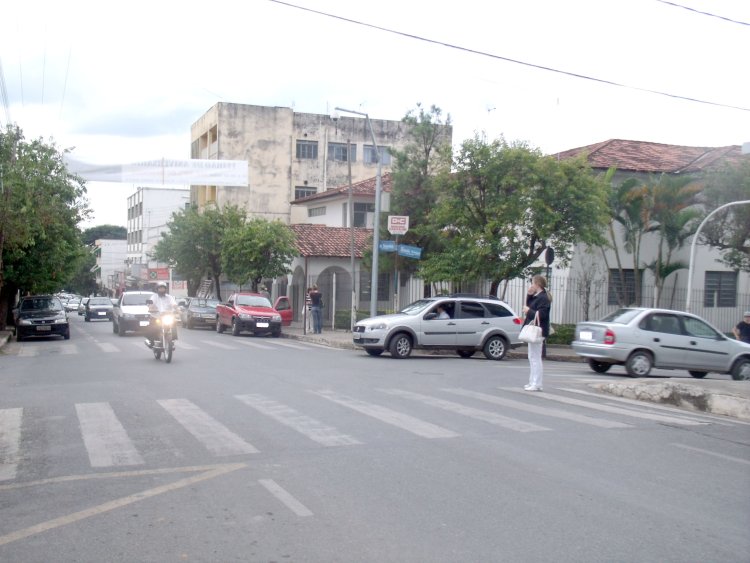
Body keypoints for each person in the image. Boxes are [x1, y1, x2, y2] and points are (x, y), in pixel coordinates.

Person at [521, 275, 551, 391]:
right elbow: (530, 307)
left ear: (538, 284)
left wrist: (529, 311)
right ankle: (532, 381)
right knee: (532, 356)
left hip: (538, 330)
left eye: (533, 283)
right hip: (535, 330)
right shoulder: (537, 296)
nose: (531, 285)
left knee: (535, 357)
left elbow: (542, 315)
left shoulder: (543, 298)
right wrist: (529, 295)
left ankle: (537, 383)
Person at [146, 282, 178, 346]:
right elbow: (151, 304)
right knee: (152, 327)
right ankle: (151, 341)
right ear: (157, 289)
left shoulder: (169, 297)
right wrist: (151, 308)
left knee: (174, 324)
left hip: (167, 316)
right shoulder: (154, 297)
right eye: (160, 288)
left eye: (163, 288)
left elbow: (174, 304)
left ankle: (172, 339)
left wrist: (177, 309)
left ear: (165, 289)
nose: (162, 290)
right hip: (156, 316)